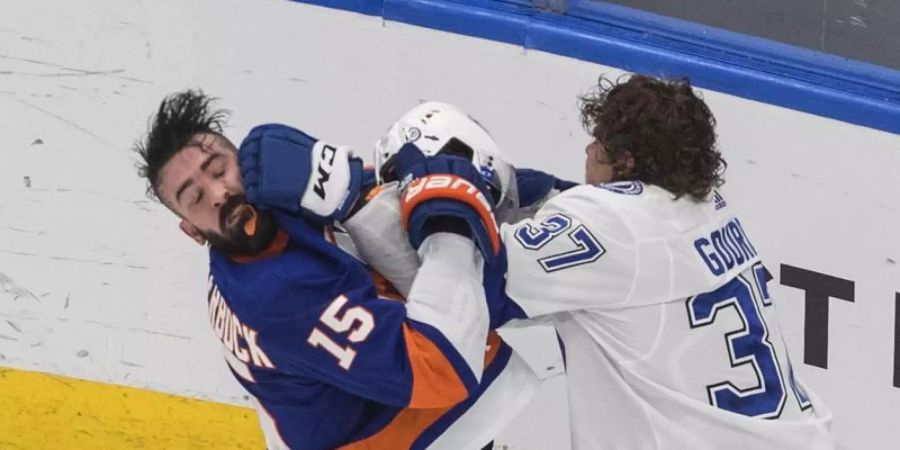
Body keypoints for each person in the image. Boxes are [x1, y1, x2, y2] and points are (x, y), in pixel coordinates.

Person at [359, 76, 836, 449]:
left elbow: (470, 291)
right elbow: (624, 245)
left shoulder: (609, 222)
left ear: (626, 161)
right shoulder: (705, 205)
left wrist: (390, 201)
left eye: (600, 141)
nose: (588, 150)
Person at [133, 90, 540, 450]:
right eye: (196, 197)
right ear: (191, 231)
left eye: (219, 169)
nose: (219, 193)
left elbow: (378, 197)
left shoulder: (273, 200)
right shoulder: (276, 294)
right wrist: (452, 228)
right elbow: (440, 367)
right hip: (397, 432)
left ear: (241, 159)